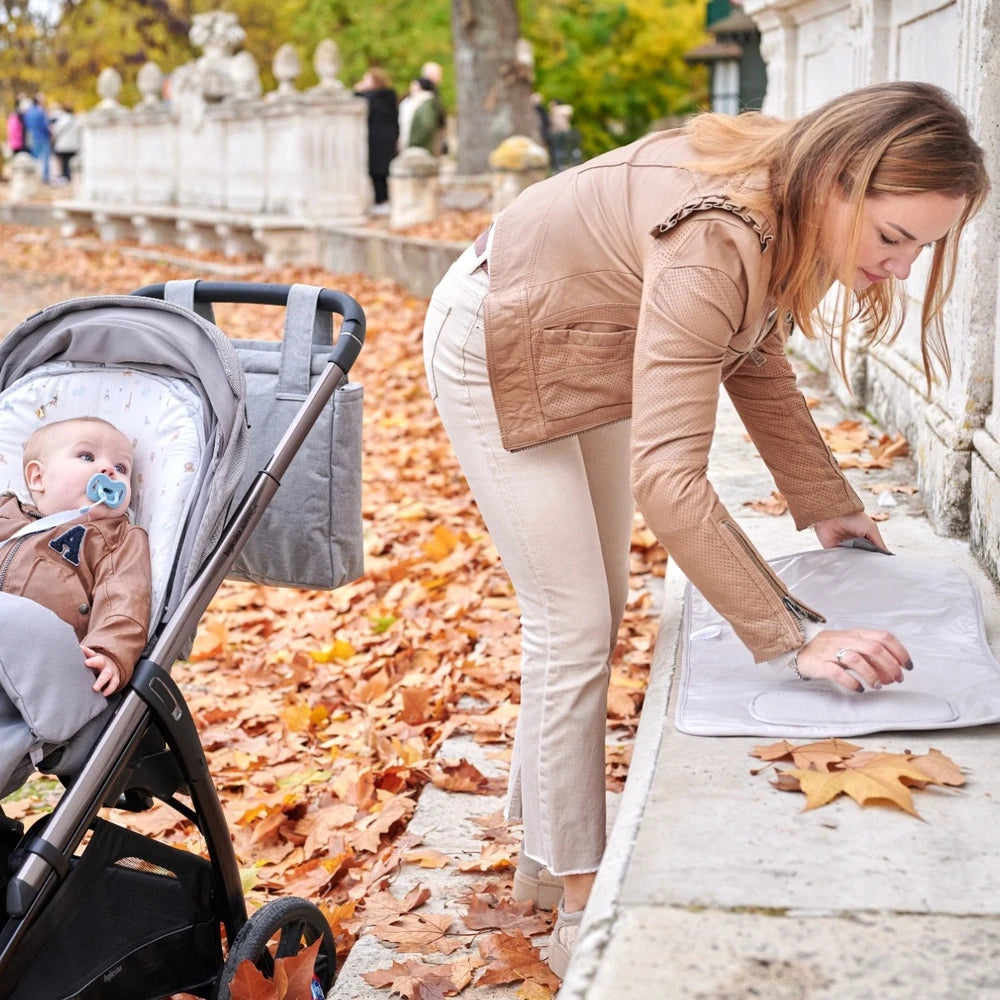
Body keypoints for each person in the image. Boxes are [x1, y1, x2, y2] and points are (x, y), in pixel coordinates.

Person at [421, 81, 989, 977]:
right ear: (838, 180)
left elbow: (749, 351)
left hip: (591, 332)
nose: (902, 268)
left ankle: (537, 858)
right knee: (574, 621)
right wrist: (791, 634)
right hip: (499, 333)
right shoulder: (716, 237)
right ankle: (578, 903)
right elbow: (669, 476)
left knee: (595, 610)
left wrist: (829, 505)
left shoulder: (787, 200)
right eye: (892, 238)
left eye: (923, 247)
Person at [0, 416, 151, 801]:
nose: (108, 470)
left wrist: (110, 651)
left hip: (42, 665)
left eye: (121, 468)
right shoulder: (6, 514)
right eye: (87, 456)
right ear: (38, 478)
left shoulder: (116, 539)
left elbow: (125, 597)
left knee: (19, 620)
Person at [354, 67, 399, 214]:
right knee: (381, 172)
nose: (364, 82)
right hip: (386, 138)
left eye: (367, 79)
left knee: (378, 172)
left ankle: (382, 201)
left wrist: (358, 90)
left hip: (377, 140)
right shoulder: (389, 96)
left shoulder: (373, 98)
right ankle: (382, 200)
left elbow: (358, 99)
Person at [21, 94, 51, 184]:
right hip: (43, 137)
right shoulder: (40, 112)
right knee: (45, 158)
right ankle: (45, 178)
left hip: (32, 138)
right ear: (40, 102)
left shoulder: (29, 113)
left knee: (34, 158)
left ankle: (34, 176)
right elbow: (45, 126)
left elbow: (26, 125)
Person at [49, 102, 79, 184]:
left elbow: (55, 131)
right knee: (71, 162)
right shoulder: (75, 120)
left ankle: (65, 177)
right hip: (73, 145)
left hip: (63, 145)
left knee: (64, 162)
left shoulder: (61, 120)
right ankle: (71, 177)